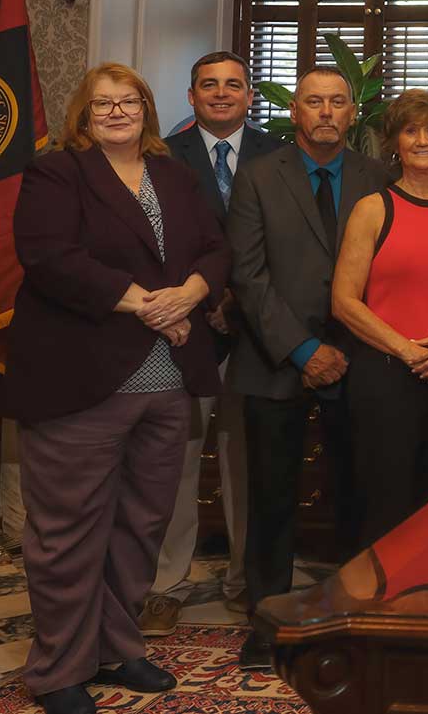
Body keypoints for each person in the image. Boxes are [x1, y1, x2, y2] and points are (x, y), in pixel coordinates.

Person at [5, 64, 231, 714]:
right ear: (84, 112)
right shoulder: (57, 173)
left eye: (127, 101)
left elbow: (215, 250)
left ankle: (117, 642)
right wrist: (144, 304)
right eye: (102, 103)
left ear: (147, 110)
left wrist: (190, 292)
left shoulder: (174, 174)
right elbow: (49, 256)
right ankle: (59, 669)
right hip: (79, 380)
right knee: (69, 530)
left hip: (168, 380)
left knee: (140, 523)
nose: (116, 111)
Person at [227, 65, 388, 669]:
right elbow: (248, 274)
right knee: (270, 499)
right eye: (313, 102)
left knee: (358, 491)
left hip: (361, 360)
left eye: (337, 103)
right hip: (276, 361)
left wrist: (347, 345)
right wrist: (303, 350)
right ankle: (268, 624)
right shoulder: (259, 177)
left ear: (354, 113)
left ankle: (353, 615)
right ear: (294, 112)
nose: (325, 112)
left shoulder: (379, 177)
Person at [140, 51, 279, 636]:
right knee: (175, 463)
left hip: (256, 333)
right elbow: (148, 242)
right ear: (191, 96)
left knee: (248, 463)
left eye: (234, 85)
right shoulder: (159, 157)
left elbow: (289, 244)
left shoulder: (280, 153)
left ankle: (248, 581)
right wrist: (202, 300)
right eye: (209, 86)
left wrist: (238, 303)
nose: (222, 94)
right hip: (182, 332)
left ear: (250, 96)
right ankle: (166, 585)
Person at [333, 90, 428, 546]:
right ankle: (381, 609)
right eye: (411, 130)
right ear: (394, 143)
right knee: (386, 499)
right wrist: (405, 349)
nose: (422, 140)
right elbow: (343, 301)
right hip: (385, 375)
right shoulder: (372, 209)